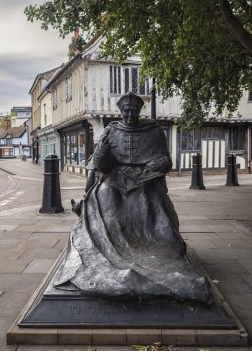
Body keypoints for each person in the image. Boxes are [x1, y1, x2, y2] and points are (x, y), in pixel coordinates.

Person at [54, 92, 212, 304]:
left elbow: (166, 161)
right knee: (104, 194)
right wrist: (102, 153)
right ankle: (110, 248)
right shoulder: (111, 131)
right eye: (126, 111)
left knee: (150, 199)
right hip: (115, 178)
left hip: (145, 179)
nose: (129, 114)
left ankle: (157, 248)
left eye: (134, 111)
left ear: (139, 111)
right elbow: (99, 166)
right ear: (120, 112)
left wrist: (158, 164)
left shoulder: (154, 131)